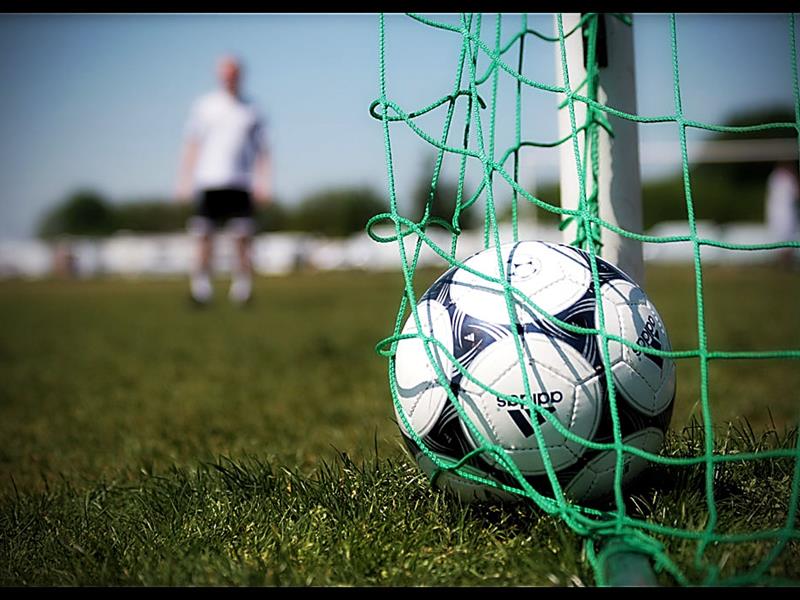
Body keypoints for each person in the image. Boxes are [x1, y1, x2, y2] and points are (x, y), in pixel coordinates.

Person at [176, 54, 272, 305]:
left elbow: (263, 150)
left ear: (240, 75)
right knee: (203, 235)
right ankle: (201, 290)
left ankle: (243, 290)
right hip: (209, 181)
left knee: (242, 237)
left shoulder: (252, 109)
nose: (229, 78)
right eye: (225, 74)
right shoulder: (204, 105)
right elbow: (192, 144)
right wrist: (185, 180)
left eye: (234, 74)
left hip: (241, 182)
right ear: (220, 76)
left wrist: (264, 182)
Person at [765, 160, 799, 268]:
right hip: (784, 212)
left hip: (780, 212)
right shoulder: (785, 177)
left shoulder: (774, 176)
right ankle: (785, 263)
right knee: (785, 238)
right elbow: (796, 194)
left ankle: (785, 262)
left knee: (785, 238)